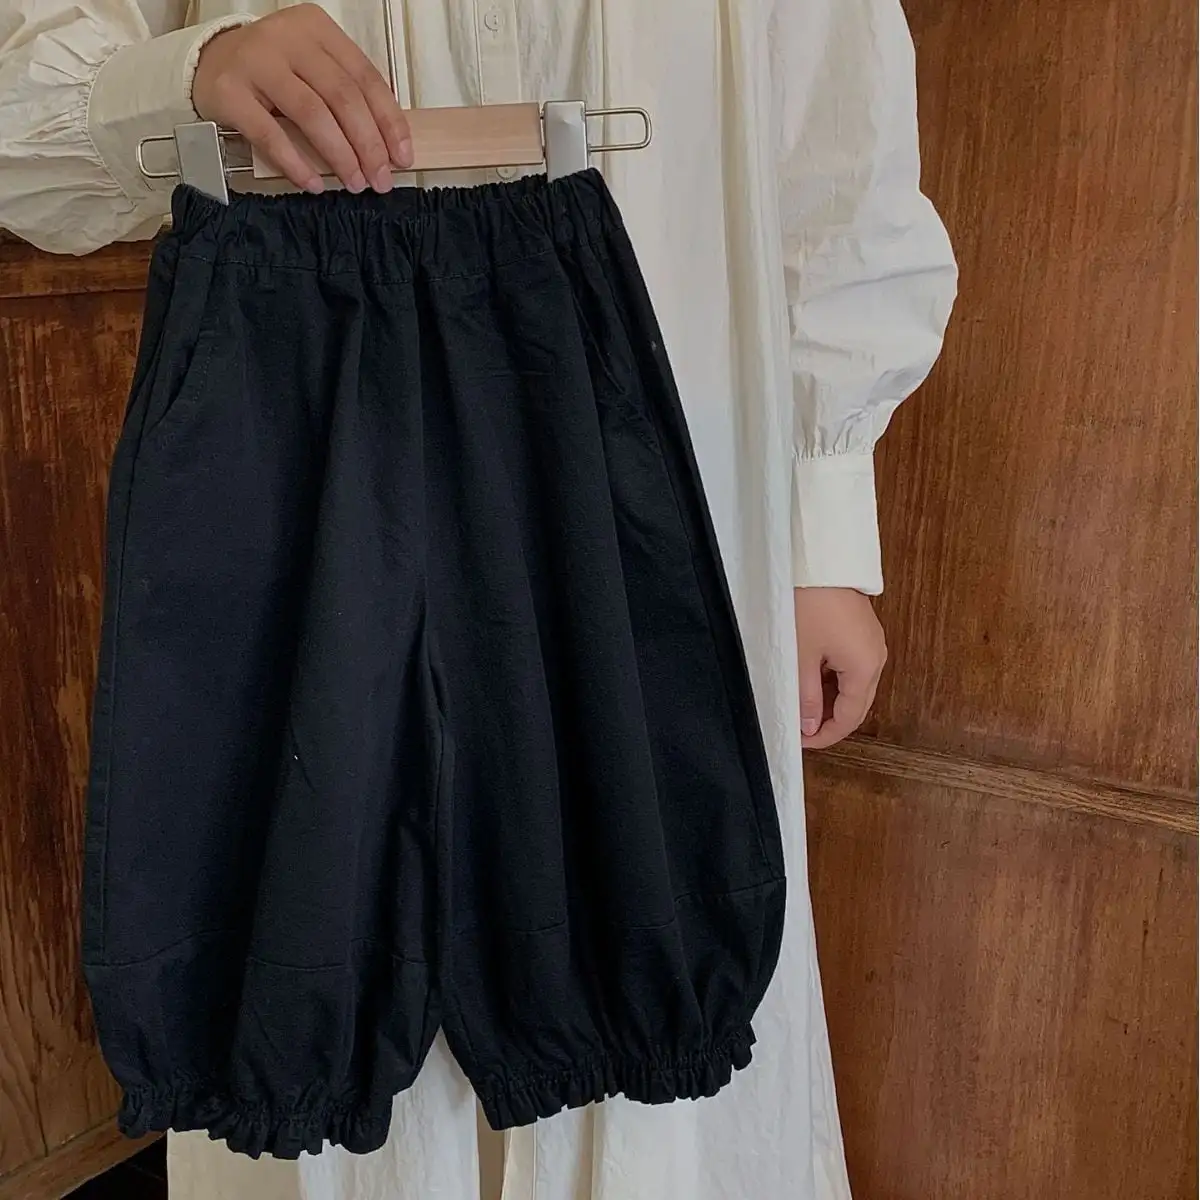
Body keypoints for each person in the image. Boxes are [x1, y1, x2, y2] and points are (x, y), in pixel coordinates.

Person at [0, 2, 956, 1198]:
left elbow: (837, 138)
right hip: (290, 375)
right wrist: (184, 73)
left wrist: (823, 516)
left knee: (649, 909)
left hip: (666, 394)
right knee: (298, 903)